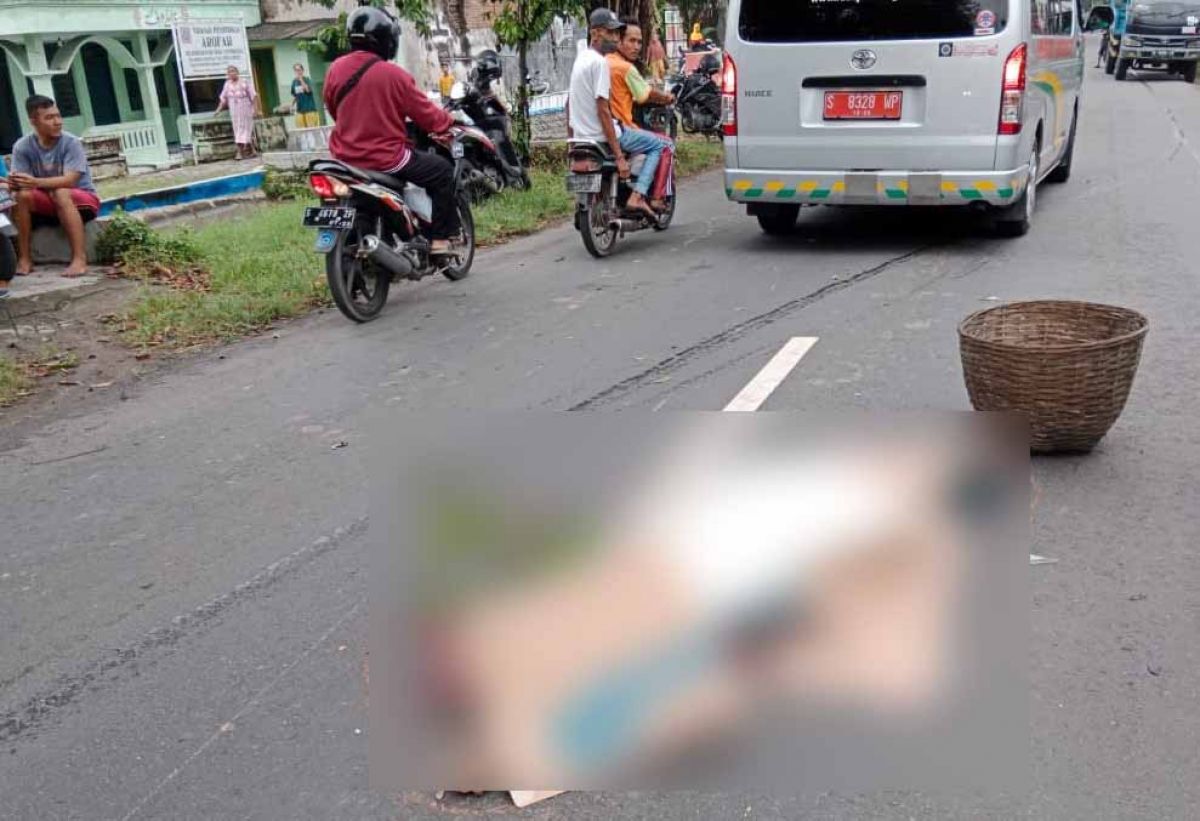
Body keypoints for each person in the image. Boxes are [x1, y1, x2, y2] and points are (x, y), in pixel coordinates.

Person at [324, 6, 460, 256]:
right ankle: (440, 241)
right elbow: (427, 116)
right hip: (387, 159)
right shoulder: (394, 75)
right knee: (442, 171)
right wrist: (448, 121)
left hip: (344, 160)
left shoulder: (335, 69)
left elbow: (333, 108)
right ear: (385, 39)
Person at [7, 95, 100, 278]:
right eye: (49, 118)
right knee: (22, 196)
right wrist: (15, 183)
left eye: (58, 116)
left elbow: (70, 180)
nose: (57, 122)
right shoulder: (22, 146)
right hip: (47, 206)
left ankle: (79, 259)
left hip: (83, 202)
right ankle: (25, 258)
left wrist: (36, 182)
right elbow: (22, 184)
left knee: (60, 191)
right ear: (34, 121)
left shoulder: (71, 142)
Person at [607, 19, 675, 216]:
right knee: (665, 144)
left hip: (600, 130)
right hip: (622, 129)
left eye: (639, 42)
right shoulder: (625, 68)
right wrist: (667, 98)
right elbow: (645, 94)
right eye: (631, 41)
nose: (636, 46)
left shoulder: (603, 62)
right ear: (619, 40)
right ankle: (655, 197)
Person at [567, 9, 633, 204]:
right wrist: (620, 158)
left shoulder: (581, 59)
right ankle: (637, 197)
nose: (615, 38)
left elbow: (568, 104)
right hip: (600, 138)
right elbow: (603, 110)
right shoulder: (600, 62)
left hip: (581, 139)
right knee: (656, 144)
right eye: (610, 33)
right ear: (595, 33)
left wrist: (571, 141)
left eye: (616, 33)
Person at [215, 65, 259, 160]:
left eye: (233, 71)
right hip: (234, 111)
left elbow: (254, 96)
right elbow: (223, 99)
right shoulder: (227, 84)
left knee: (245, 130)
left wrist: (256, 110)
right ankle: (252, 150)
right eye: (229, 72)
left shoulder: (245, 82)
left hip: (245, 109)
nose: (232, 73)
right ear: (227, 74)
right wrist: (218, 109)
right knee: (238, 130)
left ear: (237, 72)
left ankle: (239, 152)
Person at [290, 64, 320, 129]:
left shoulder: (307, 80)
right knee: (301, 131)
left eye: (299, 70)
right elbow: (295, 95)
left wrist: (301, 80)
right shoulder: (294, 82)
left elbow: (308, 90)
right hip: (300, 110)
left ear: (302, 71)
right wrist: (291, 105)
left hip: (309, 110)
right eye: (295, 70)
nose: (297, 72)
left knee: (311, 130)